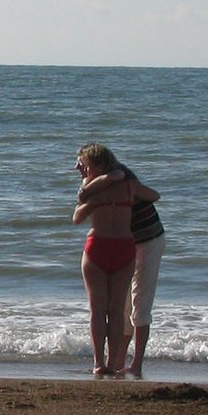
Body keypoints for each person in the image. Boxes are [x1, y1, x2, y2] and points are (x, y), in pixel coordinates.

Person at [78, 158, 164, 379]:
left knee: (140, 303)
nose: (77, 168)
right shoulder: (100, 183)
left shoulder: (120, 179)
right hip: (126, 244)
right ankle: (116, 362)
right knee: (123, 306)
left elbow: (153, 195)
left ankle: (136, 364)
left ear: (96, 164)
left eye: (81, 163)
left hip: (148, 238)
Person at [71, 143, 136, 379]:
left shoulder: (90, 188)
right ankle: (111, 363)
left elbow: (77, 218)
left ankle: (100, 363)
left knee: (98, 310)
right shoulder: (127, 184)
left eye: (85, 166)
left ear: (96, 165)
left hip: (98, 247)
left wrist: (91, 200)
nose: (82, 170)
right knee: (115, 310)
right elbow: (153, 195)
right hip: (123, 247)